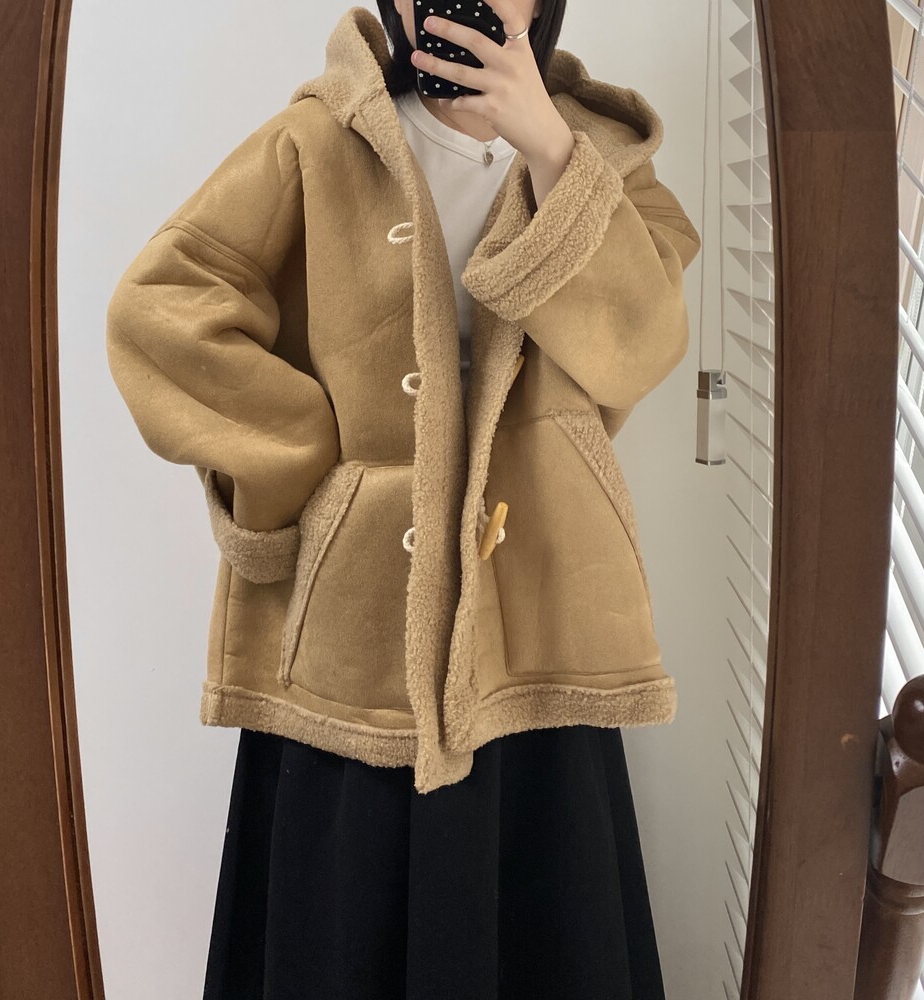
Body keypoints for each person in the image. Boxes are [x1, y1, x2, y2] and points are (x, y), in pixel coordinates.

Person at [106, 2, 702, 997]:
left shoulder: (599, 162)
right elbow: (159, 313)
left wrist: (549, 147)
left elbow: (639, 348)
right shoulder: (316, 140)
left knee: (547, 930)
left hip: (539, 624)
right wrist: (309, 470)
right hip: (359, 635)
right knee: (340, 933)